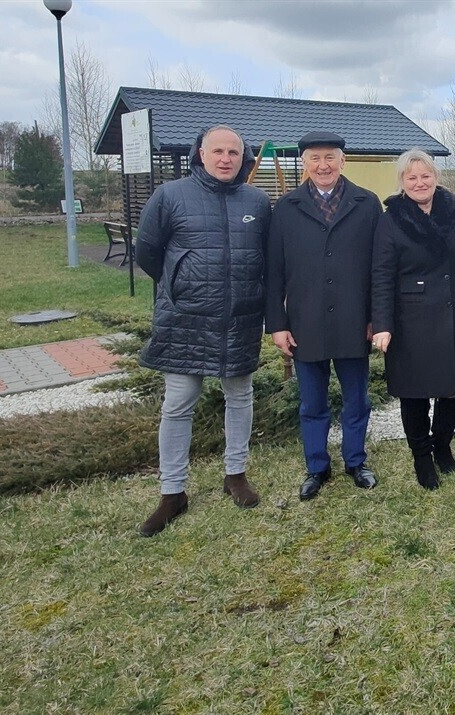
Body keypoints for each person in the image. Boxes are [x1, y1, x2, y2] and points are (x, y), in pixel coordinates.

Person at [133, 125, 271, 537]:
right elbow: (148, 253)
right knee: (178, 403)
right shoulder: (170, 196)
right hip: (185, 319)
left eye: (234, 152)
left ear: (243, 158)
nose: (226, 158)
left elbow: (269, 255)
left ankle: (236, 474)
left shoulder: (258, 201)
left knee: (239, 395)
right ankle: (172, 492)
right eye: (218, 151)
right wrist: (181, 285)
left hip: (239, 317)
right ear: (201, 153)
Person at [266, 131, 381, 501]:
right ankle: (316, 466)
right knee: (312, 403)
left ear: (343, 161)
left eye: (330, 157)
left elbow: (380, 269)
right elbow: (275, 272)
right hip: (305, 323)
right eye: (315, 158)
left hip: (354, 320)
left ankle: (355, 461)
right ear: (304, 164)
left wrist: (377, 319)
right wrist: (277, 324)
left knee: (356, 399)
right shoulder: (286, 208)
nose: (323, 165)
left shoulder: (366, 204)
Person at [372, 149, 455, 490]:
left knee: (452, 389)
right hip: (411, 319)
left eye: (425, 175)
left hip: (454, 312)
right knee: (414, 393)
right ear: (402, 182)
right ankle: (421, 456)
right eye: (411, 177)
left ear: (436, 176)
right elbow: (381, 274)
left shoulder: (454, 211)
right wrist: (383, 324)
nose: (420, 183)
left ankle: (442, 445)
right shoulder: (392, 219)